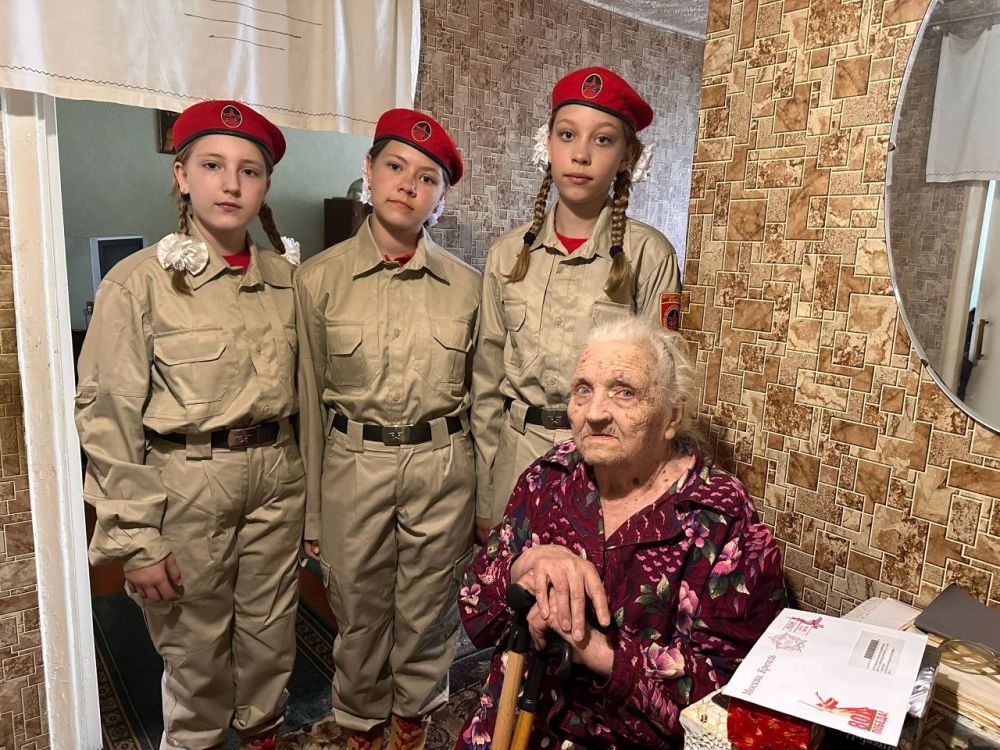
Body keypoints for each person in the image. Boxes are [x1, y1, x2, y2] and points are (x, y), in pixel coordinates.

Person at [76, 100, 304, 749]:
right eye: (211, 166)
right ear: (181, 176)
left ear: (265, 185)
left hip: (277, 478)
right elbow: (108, 416)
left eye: (249, 171)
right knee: (196, 659)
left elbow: (311, 397)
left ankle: (263, 735)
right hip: (187, 486)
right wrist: (135, 538)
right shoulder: (138, 284)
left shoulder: (289, 282)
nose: (230, 184)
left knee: (270, 646)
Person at [456, 317, 786, 749]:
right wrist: (525, 563)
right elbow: (475, 611)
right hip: (513, 723)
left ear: (672, 416)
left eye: (624, 391)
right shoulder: (549, 478)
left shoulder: (719, 517)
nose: (594, 413)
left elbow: (727, 702)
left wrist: (593, 647)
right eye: (583, 389)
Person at [296, 109, 480, 750]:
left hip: (442, 467)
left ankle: (411, 730)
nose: (408, 184)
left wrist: (483, 501)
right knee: (358, 615)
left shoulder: (468, 288)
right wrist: (311, 512)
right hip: (354, 465)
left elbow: (482, 401)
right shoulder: (317, 281)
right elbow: (307, 402)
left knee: (430, 613)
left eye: (427, 177)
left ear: (440, 196)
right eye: (395, 167)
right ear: (369, 171)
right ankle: (361, 730)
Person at [472, 66, 683, 542]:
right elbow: (485, 384)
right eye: (567, 135)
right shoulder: (505, 256)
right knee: (515, 584)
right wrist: (486, 495)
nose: (581, 153)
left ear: (627, 156)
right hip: (516, 457)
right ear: (547, 144)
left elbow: (663, 386)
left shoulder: (649, 256)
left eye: (602, 140)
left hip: (607, 466)